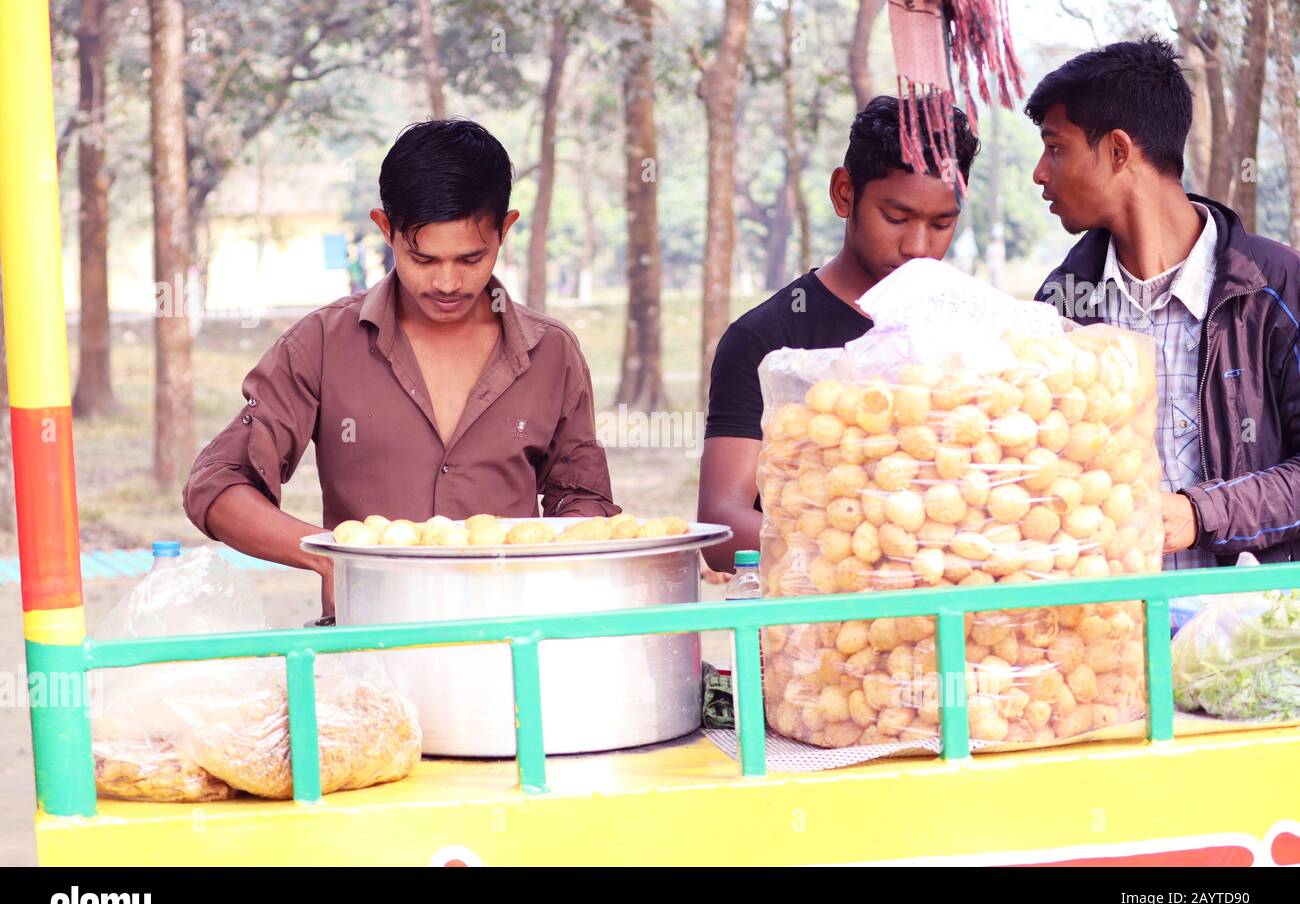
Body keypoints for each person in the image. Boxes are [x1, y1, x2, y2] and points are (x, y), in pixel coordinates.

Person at [184, 119, 618, 615]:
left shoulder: (552, 353)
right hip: (369, 650)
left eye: (471, 258)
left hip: (514, 638)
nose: (449, 282)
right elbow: (217, 485)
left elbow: (585, 504)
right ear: (385, 229)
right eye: (424, 259)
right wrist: (331, 559)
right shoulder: (323, 343)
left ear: (506, 229)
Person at [1029, 37, 1300, 567]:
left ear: (1118, 151)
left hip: (1244, 634)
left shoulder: (1275, 287)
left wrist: (1198, 515)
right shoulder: (1060, 307)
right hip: (1112, 631)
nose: (1040, 171)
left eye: (1055, 147)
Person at [697, 94, 980, 570]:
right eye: (896, 218)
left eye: (942, 223)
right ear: (844, 193)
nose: (918, 246)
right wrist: (875, 552)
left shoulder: (972, 332)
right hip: (821, 628)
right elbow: (721, 525)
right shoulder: (765, 338)